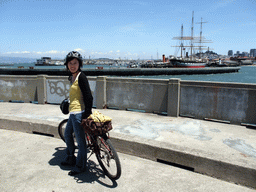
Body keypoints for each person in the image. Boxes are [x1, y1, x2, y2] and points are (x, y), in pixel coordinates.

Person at [61, 51, 93, 176]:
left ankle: (80, 166)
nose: (72, 65)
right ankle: (70, 157)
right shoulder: (71, 77)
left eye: (75, 63)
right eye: (70, 63)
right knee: (67, 134)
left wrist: (87, 114)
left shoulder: (81, 77)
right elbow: (75, 95)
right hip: (73, 112)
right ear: (67, 65)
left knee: (81, 142)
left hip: (79, 113)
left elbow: (89, 97)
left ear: (79, 64)